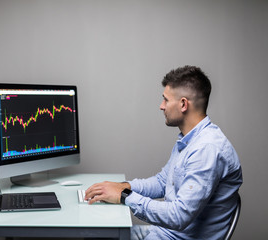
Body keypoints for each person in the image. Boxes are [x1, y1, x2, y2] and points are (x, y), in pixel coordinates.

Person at [84, 66, 243, 240]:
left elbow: (178, 216)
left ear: (183, 104)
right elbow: (162, 182)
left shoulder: (207, 149)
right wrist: (123, 187)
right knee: (97, 235)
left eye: (166, 100)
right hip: (163, 233)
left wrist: (123, 196)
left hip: (177, 237)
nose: (161, 106)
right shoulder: (189, 139)